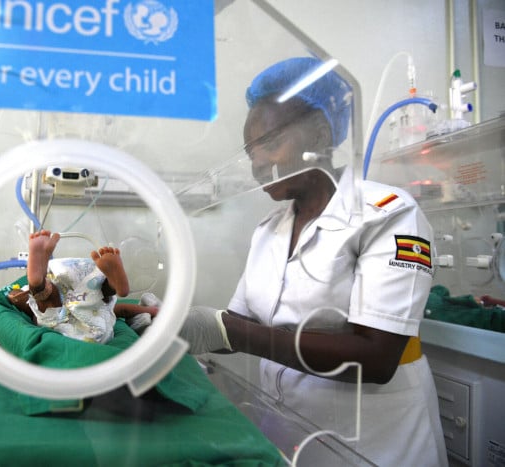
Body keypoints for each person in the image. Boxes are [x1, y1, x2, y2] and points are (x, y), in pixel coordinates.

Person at [176, 57, 448, 466]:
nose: (257, 162)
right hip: (290, 435)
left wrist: (229, 331)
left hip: (376, 446)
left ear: (320, 135)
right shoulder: (269, 230)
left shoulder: (388, 215)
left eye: (269, 143)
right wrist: (171, 322)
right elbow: (240, 323)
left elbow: (376, 358)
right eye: (250, 151)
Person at [7, 229, 157, 343]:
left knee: (45, 298)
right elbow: (124, 310)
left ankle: (37, 278)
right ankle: (112, 284)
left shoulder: (32, 301)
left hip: (58, 328)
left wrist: (19, 295)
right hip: (95, 326)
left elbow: (17, 298)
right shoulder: (104, 310)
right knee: (102, 297)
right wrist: (151, 310)